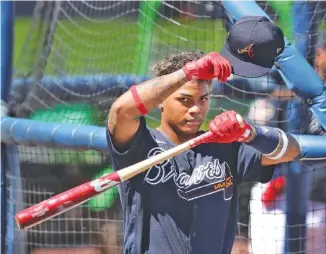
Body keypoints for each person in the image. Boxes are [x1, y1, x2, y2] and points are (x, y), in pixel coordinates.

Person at [106, 16, 299, 254]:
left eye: (204, 99)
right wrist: (186, 73)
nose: (196, 108)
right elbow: (120, 112)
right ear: (161, 101)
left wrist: (251, 132)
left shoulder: (225, 146)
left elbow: (291, 150)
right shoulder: (139, 146)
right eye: (184, 100)